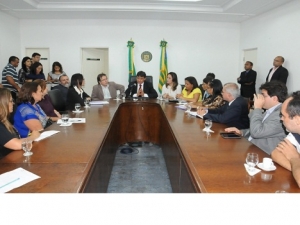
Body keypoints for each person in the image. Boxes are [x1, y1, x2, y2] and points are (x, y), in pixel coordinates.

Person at [225, 81, 287, 154]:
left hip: (263, 154)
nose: (260, 98)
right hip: (251, 147)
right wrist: (241, 132)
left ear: (274, 98)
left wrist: (257, 108)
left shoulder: (281, 115)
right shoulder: (269, 111)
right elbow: (257, 127)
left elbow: (257, 132)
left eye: (263, 95)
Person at [0, 88, 40, 158]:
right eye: (10, 101)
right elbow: (17, 144)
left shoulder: (5, 121)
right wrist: (33, 136)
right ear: (2, 104)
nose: (13, 103)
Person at [271, 92, 300, 187]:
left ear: (297, 120)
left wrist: (294, 158)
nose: (281, 119)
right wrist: (296, 169)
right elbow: (275, 153)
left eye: (283, 115)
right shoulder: (296, 133)